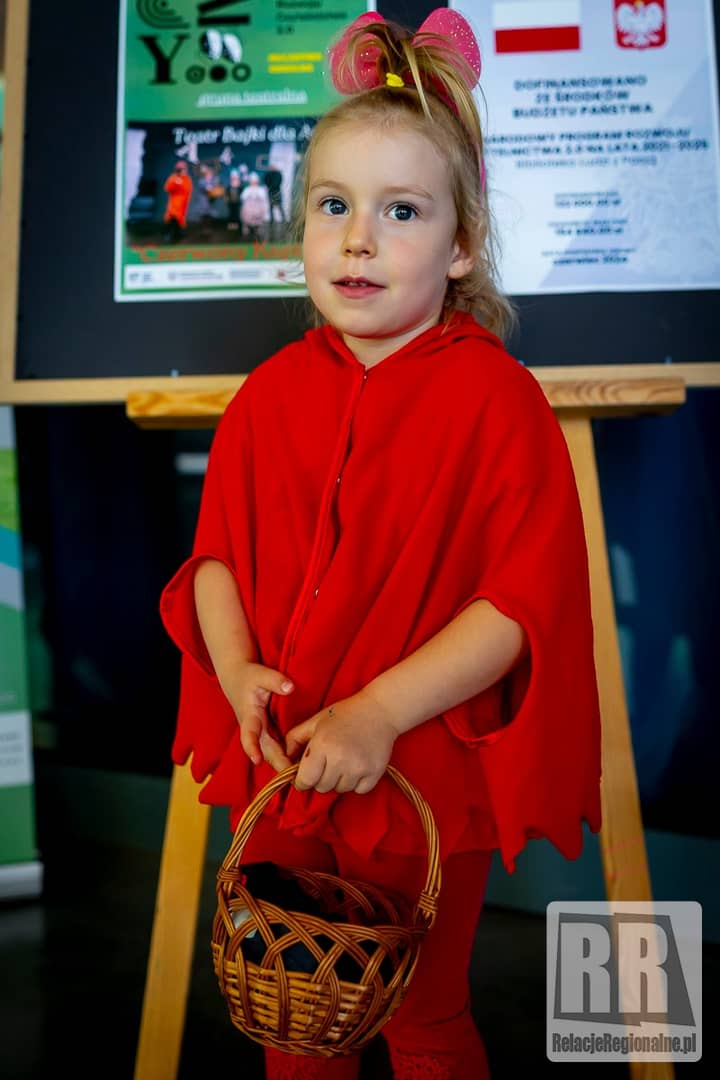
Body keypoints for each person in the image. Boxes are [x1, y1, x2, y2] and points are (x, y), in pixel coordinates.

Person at [160, 10, 601, 1079]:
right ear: (302, 228)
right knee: (296, 1016)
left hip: (420, 776)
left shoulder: (498, 402)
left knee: (421, 1013)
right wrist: (236, 670)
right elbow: (216, 563)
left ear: (461, 245)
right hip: (285, 761)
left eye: (401, 210)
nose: (359, 238)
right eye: (334, 205)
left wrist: (380, 713)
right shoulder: (267, 397)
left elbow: (519, 608)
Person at [162, 159, 192, 243]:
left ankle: (178, 236)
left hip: (183, 203)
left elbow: (188, 189)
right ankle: (168, 235)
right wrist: (175, 182)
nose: (183, 171)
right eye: (180, 169)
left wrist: (180, 183)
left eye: (183, 169)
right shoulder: (173, 177)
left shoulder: (187, 179)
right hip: (174, 203)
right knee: (171, 218)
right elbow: (167, 188)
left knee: (180, 220)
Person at [239, 170, 271, 241]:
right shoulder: (247, 190)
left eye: (255, 181)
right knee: (247, 229)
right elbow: (242, 199)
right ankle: (247, 238)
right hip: (248, 215)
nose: (253, 183)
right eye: (252, 181)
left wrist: (265, 213)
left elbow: (265, 201)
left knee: (259, 229)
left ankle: (259, 239)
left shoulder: (261, 190)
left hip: (259, 214)